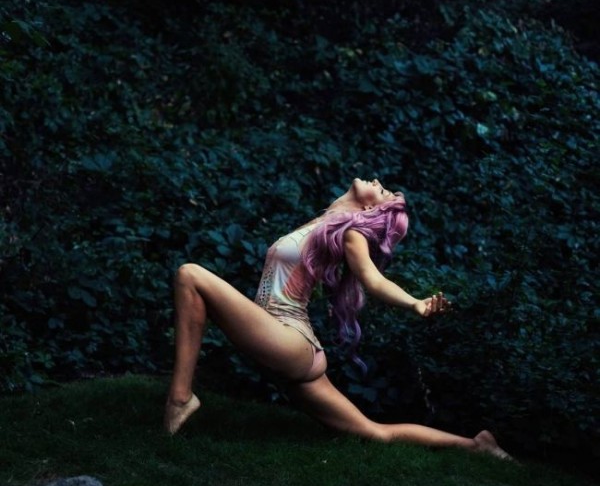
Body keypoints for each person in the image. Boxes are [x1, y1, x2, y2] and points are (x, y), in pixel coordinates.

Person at [164, 178, 511, 459]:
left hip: (289, 339)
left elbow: (373, 280)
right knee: (373, 433)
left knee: (190, 275)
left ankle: (180, 398)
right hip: (290, 344)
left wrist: (415, 304)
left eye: (383, 190)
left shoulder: (351, 233)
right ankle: (476, 445)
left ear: (371, 208)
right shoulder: (326, 224)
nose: (377, 182)